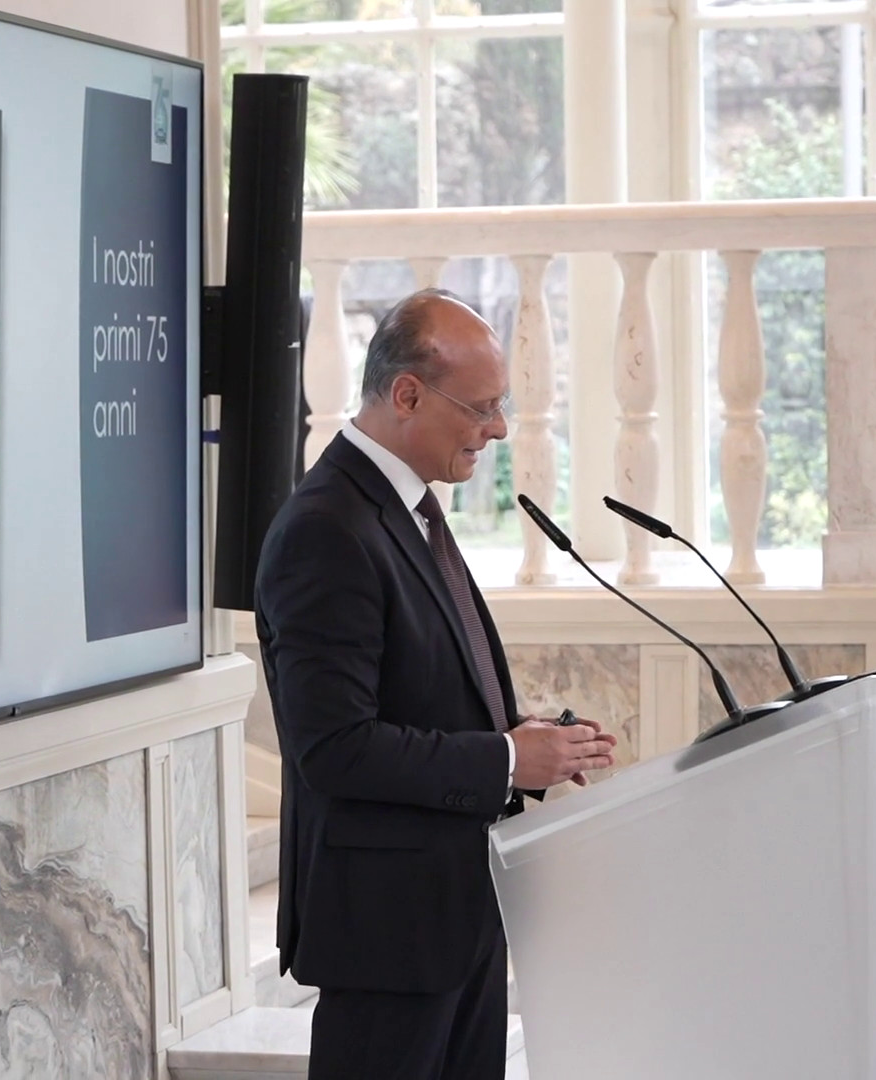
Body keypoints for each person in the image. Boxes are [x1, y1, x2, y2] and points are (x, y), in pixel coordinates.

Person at [255, 288, 618, 1079]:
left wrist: (530, 741)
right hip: (386, 935)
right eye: (482, 407)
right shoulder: (326, 528)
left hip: (457, 916)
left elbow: (419, 693)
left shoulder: (406, 507)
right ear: (407, 395)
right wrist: (506, 761)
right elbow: (335, 747)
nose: (500, 428)